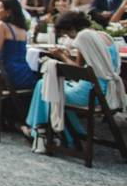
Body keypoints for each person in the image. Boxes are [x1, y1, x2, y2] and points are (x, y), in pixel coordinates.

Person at [22, 11, 126, 151]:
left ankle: (39, 132)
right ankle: (69, 135)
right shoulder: (103, 35)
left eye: (66, 33)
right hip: (105, 90)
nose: (69, 37)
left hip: (90, 94)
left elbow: (78, 71)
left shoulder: (83, 37)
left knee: (45, 85)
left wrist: (61, 56)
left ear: (71, 28)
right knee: (48, 85)